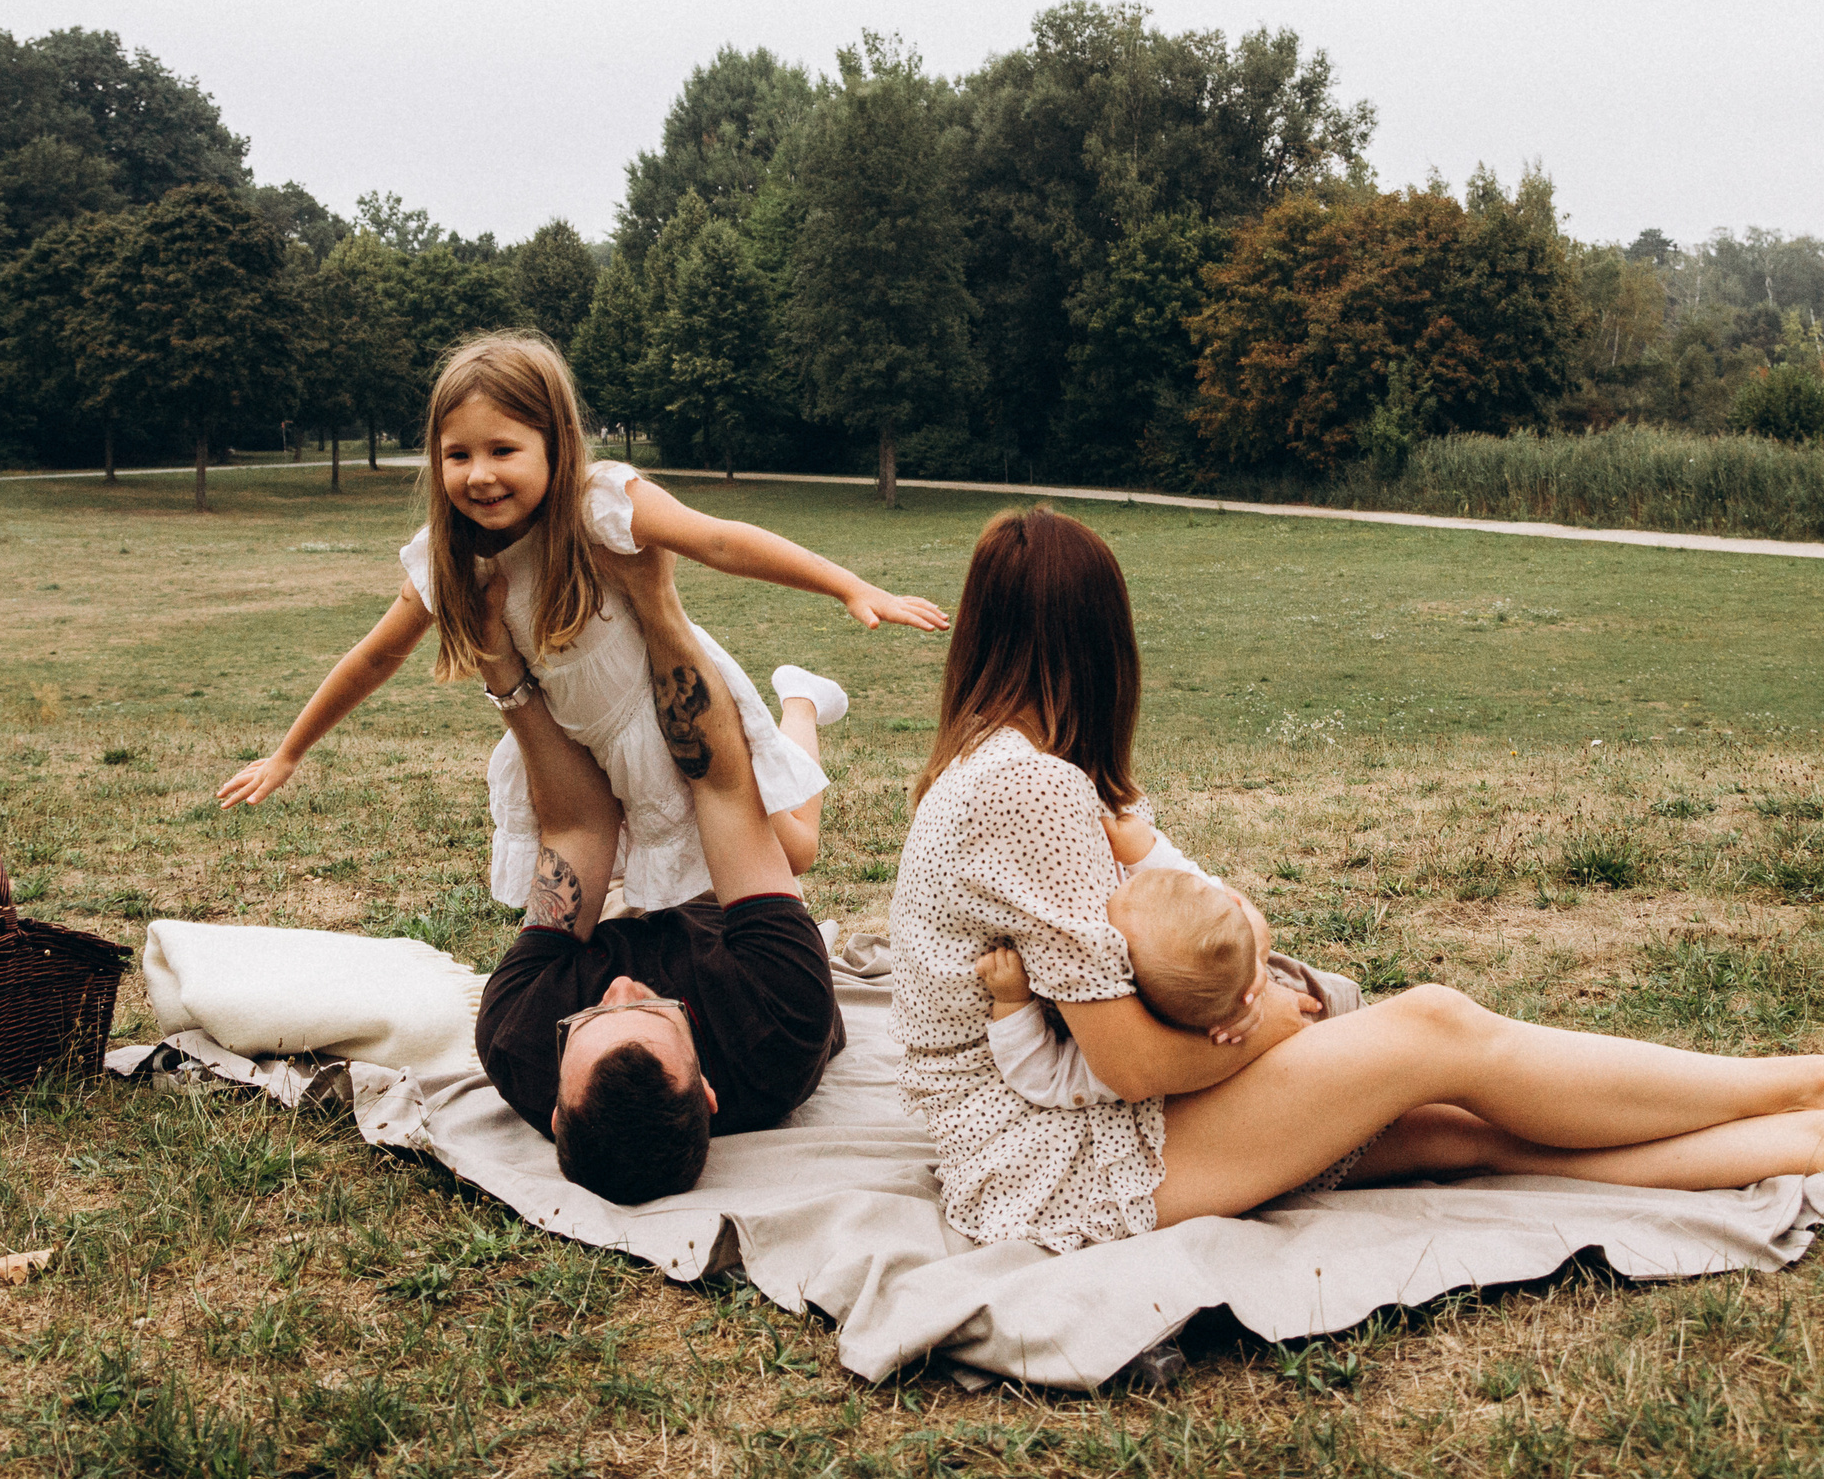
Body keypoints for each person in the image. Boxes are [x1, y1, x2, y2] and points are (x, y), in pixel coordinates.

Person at [889, 504, 1824, 1253]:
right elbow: (1129, 1065)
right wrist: (1284, 1018)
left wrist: (1277, 1006)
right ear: (1103, 642)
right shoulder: (1020, 786)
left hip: (1046, 1138)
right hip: (1052, 1166)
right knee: (1435, 1029)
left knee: (1456, 1124)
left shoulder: (1005, 767)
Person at [218, 332, 947, 916]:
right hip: (580, 744)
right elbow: (373, 658)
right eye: (457, 454)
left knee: (792, 852)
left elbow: (716, 538)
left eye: (503, 449)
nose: (479, 474)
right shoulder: (452, 560)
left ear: (554, 445)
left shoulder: (599, 503)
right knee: (643, 877)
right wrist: (289, 753)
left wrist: (850, 585)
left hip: (676, 711)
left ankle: (801, 702)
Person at [470, 542, 845, 1204]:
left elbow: (579, 825)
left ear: (555, 1112)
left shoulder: (518, 1038)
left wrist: (500, 664)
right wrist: (655, 598)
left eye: (586, 1018)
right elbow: (722, 782)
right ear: (707, 1091)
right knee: (794, 845)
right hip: (721, 915)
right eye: (652, 1007)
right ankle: (804, 700)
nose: (619, 987)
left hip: (611, 912)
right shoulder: (782, 1017)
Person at [976, 865, 1361, 1113]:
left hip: (1300, 1052)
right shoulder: (1212, 962)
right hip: (1325, 997)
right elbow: (1223, 898)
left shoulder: (1119, 1044)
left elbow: (1043, 1076)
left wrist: (1014, 1002)